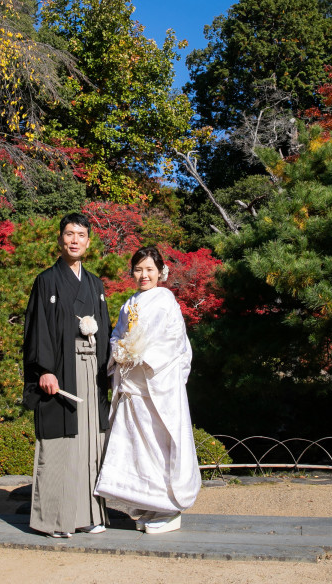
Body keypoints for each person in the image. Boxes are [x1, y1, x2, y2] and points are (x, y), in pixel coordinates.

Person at [94, 246, 201, 534]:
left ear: (160, 272)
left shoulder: (166, 300)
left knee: (158, 444)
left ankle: (167, 506)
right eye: (139, 269)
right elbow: (117, 335)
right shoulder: (129, 303)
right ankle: (147, 503)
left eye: (149, 269)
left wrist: (142, 353)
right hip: (132, 385)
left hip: (157, 384)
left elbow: (173, 341)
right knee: (137, 446)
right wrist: (121, 350)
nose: (144, 275)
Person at [22, 213, 112, 538]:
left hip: (92, 371)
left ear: (88, 241)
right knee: (61, 444)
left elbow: (106, 334)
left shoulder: (95, 284)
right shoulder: (46, 280)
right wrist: (44, 370)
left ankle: (88, 515)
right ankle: (55, 521)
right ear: (60, 239)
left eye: (81, 235)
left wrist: (110, 372)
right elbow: (38, 328)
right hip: (61, 371)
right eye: (69, 234)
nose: (75, 240)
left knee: (90, 442)